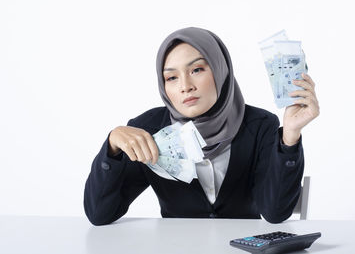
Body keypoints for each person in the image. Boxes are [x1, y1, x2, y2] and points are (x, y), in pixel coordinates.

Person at [83, 27, 320, 226]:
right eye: (172, 77)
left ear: (220, 70)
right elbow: (100, 214)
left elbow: (276, 213)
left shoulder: (260, 125)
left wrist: (290, 136)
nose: (185, 86)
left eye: (197, 70)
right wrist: (112, 146)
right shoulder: (149, 129)